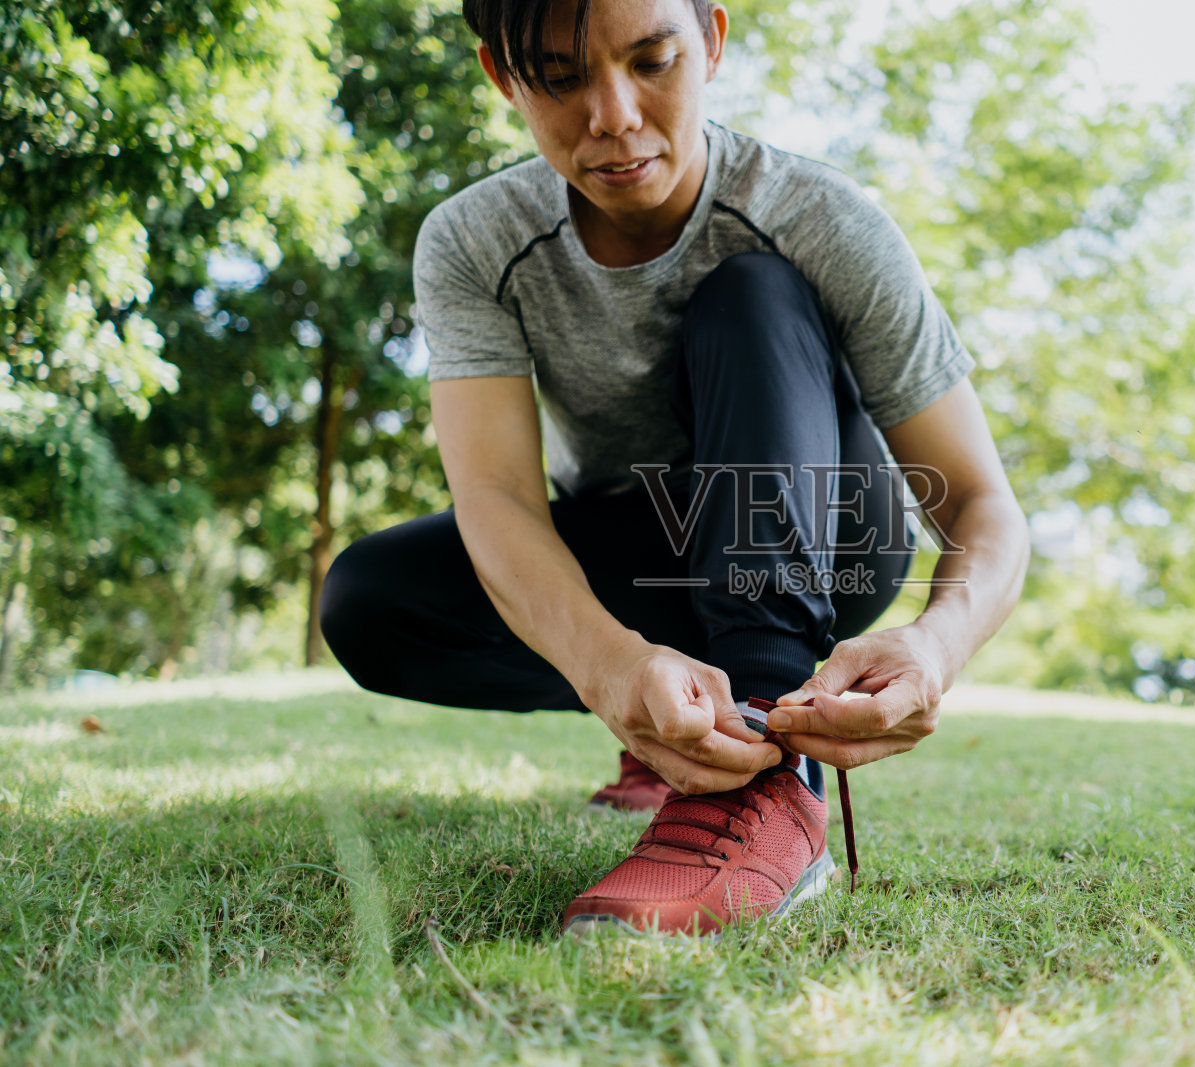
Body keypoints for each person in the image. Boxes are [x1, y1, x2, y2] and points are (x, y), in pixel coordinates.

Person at [320, 0, 1030, 937]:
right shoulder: (472, 241)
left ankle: (768, 781)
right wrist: (607, 664)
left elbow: (984, 503)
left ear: (713, 44)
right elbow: (495, 497)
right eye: (562, 78)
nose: (613, 116)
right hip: (635, 547)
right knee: (369, 600)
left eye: (652, 60)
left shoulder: (822, 218)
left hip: (828, 533)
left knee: (751, 290)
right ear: (503, 77)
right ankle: (674, 715)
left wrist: (936, 647)